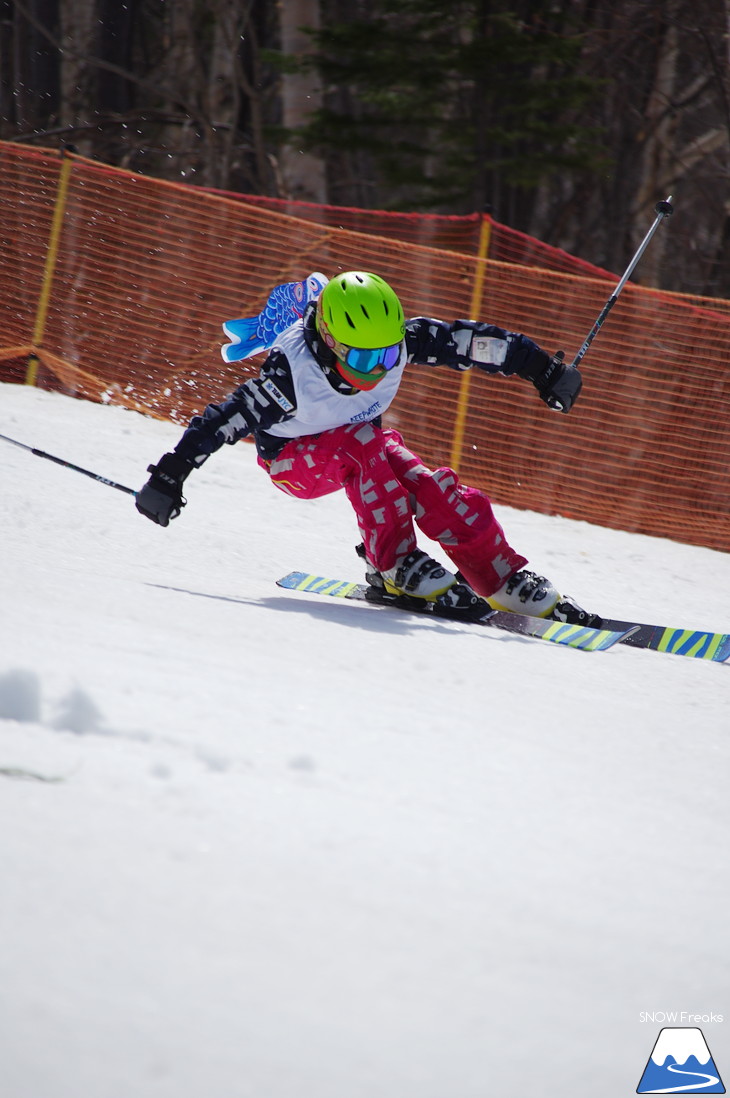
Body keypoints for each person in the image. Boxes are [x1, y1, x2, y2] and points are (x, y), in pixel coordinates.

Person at [136, 271, 598, 624]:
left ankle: (499, 576)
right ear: (331, 341)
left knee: (429, 485)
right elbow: (222, 420)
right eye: (363, 358)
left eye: (390, 354)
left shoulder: (391, 342)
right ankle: (393, 565)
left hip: (362, 449)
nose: (378, 368)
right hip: (295, 464)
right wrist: (168, 477)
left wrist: (544, 369)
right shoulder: (289, 377)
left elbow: (473, 343)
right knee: (361, 444)